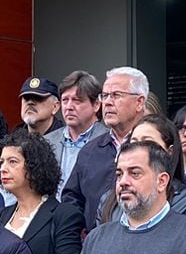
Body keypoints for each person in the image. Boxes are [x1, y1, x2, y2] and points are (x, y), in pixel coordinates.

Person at [62, 65, 151, 223]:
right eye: (105, 96)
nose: (108, 102)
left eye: (116, 95)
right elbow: (72, 201)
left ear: (139, 102)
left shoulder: (155, 144)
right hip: (96, 242)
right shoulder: (90, 150)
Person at [52, 70, 106, 194]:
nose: (69, 106)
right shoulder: (47, 142)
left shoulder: (108, 141)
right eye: (65, 100)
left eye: (77, 100)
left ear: (96, 105)